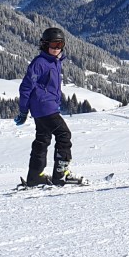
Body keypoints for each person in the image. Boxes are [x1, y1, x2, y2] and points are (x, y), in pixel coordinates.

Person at [15, 27, 87, 186]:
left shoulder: (55, 62)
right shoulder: (40, 63)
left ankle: (35, 176)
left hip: (45, 108)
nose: (56, 48)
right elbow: (26, 87)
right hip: (44, 108)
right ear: (45, 44)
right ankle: (61, 175)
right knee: (64, 135)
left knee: (42, 139)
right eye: (53, 44)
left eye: (60, 45)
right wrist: (23, 110)